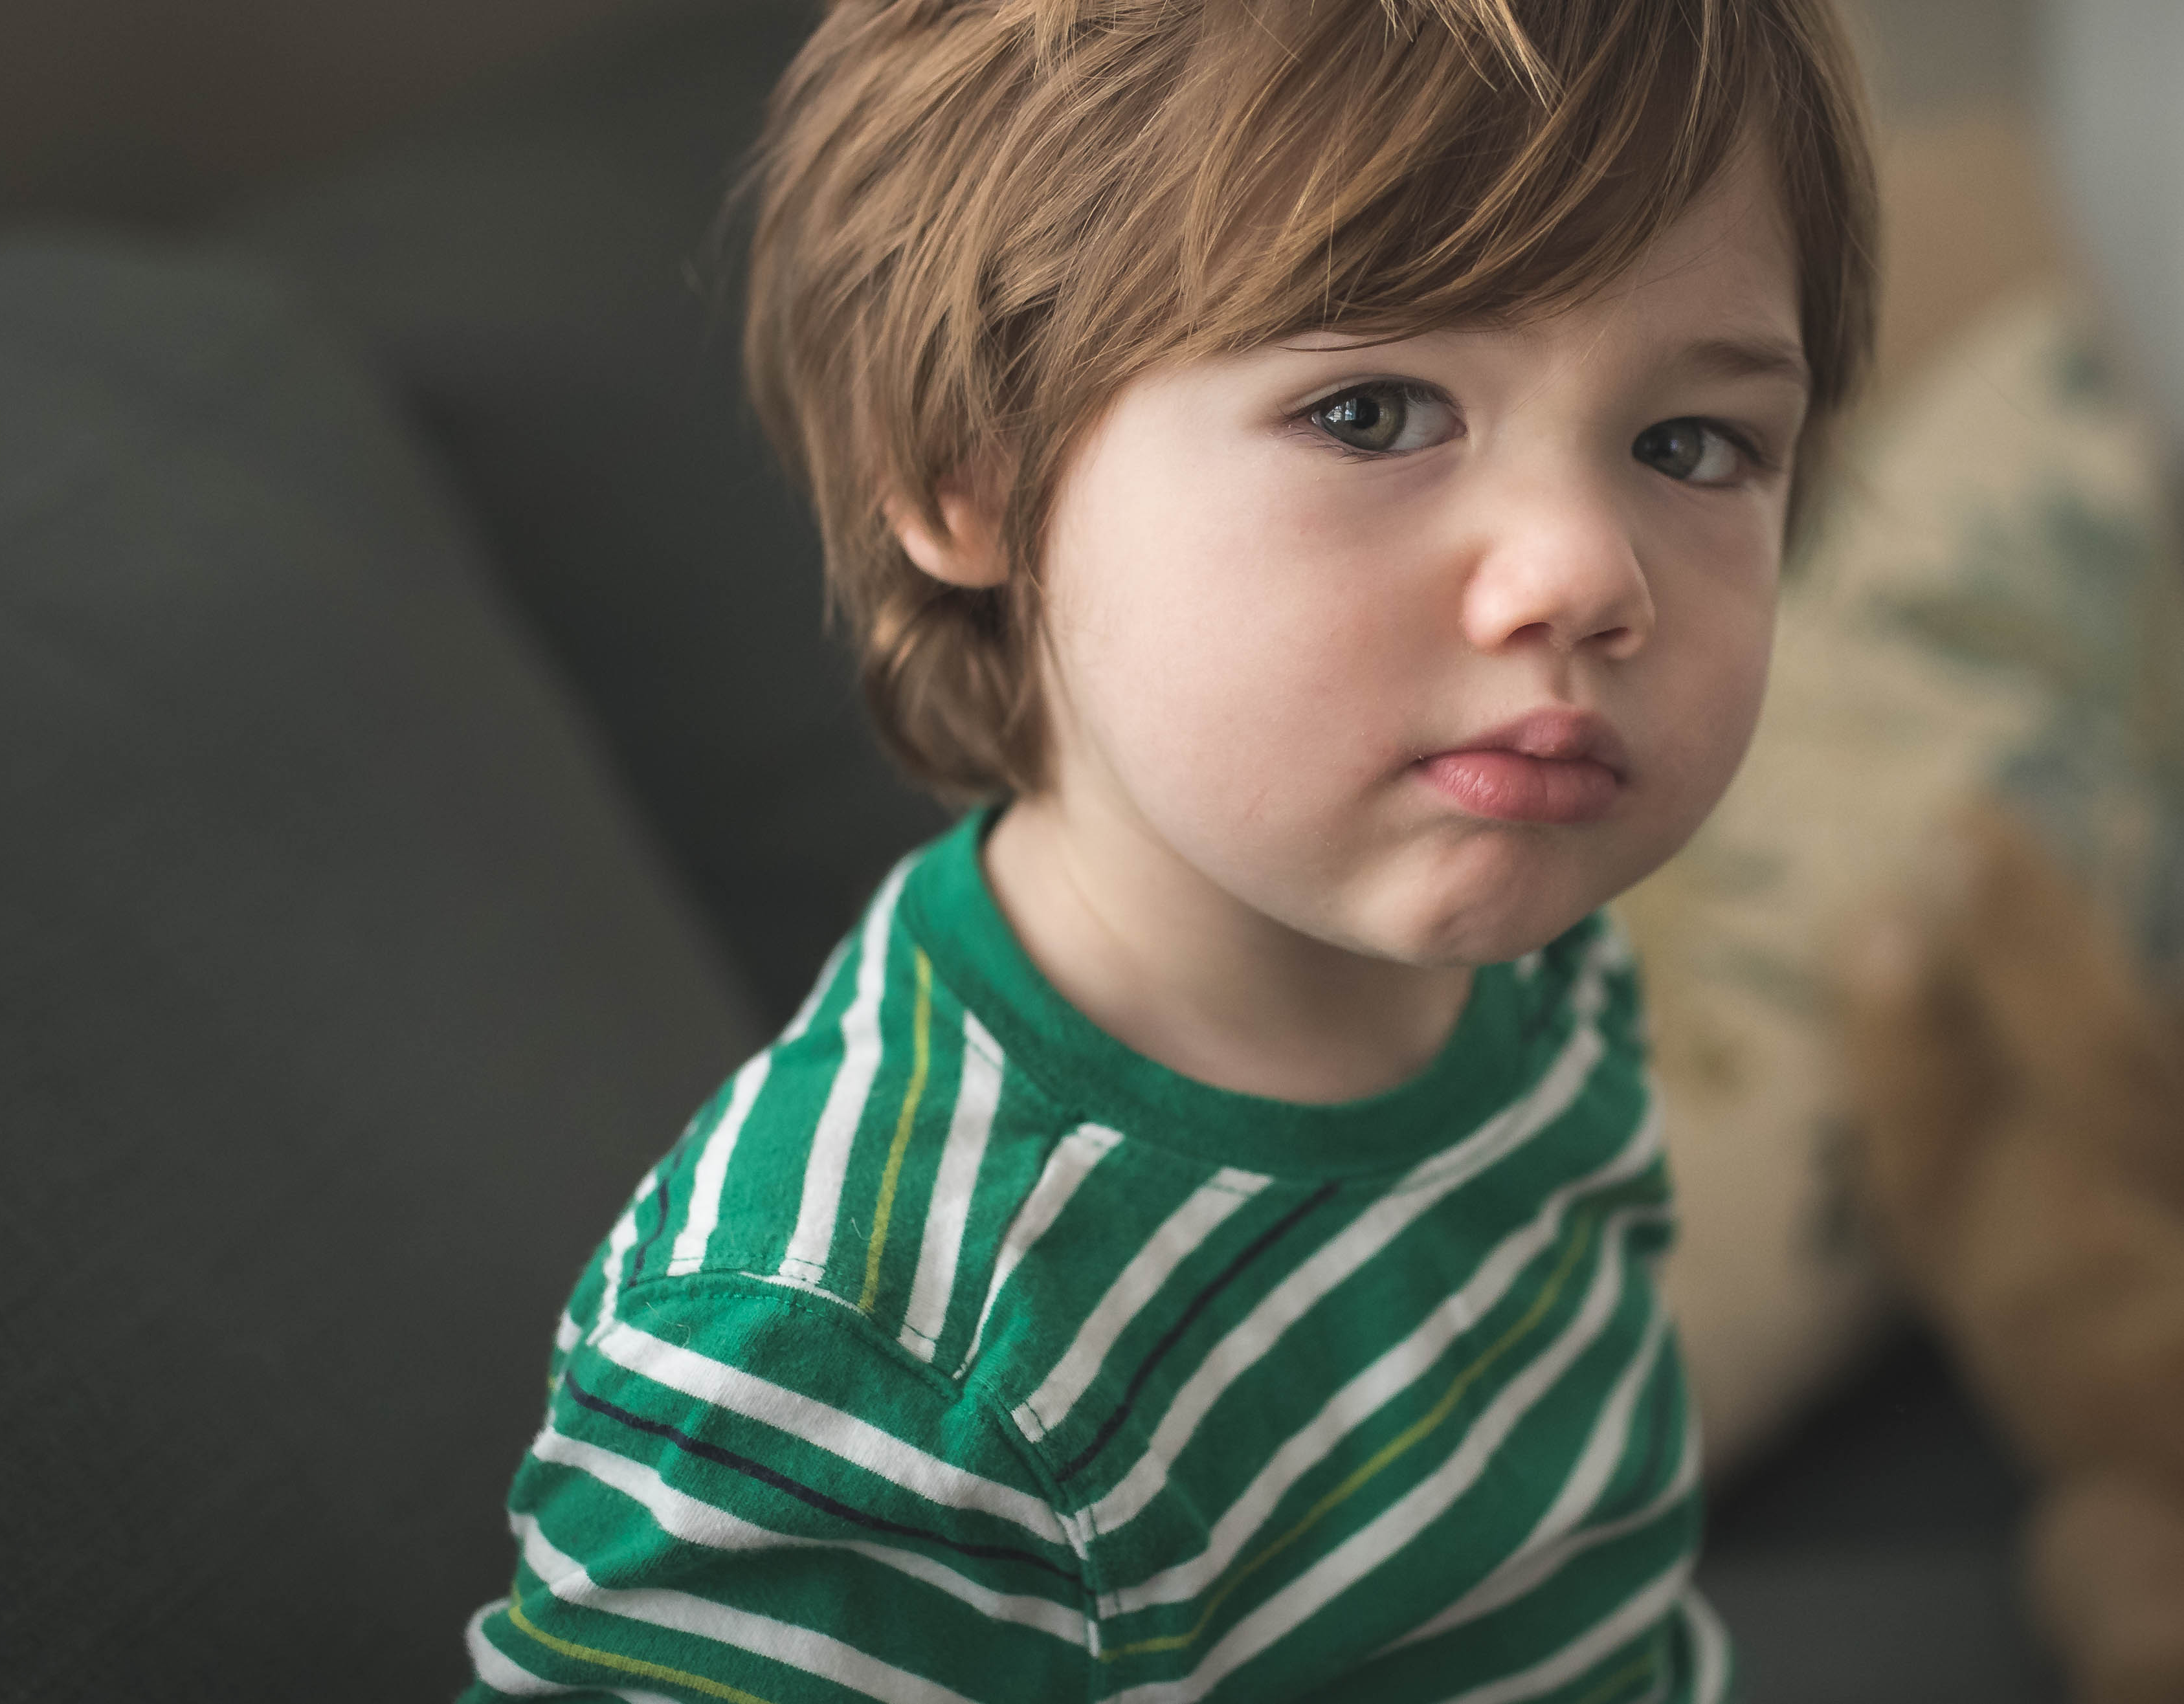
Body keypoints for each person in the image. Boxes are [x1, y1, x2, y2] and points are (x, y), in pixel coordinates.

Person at [462, 0, 1877, 1697]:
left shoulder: (1538, 957)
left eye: (1689, 446)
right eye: (1373, 412)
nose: (1588, 572)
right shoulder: (861, 1358)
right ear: (972, 473)